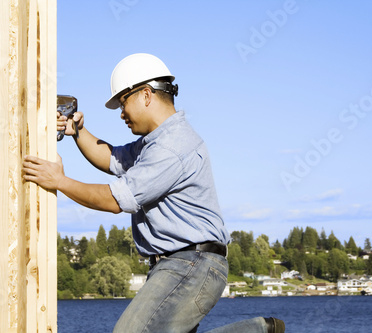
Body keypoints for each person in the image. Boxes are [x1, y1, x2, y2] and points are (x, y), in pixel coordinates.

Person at [23, 53, 285, 333]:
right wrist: (78, 132)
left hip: (191, 264)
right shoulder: (154, 142)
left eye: (123, 102)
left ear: (146, 94)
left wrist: (59, 181)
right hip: (182, 264)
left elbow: (115, 199)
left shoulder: (172, 146)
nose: (122, 113)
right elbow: (111, 159)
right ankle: (257, 330)